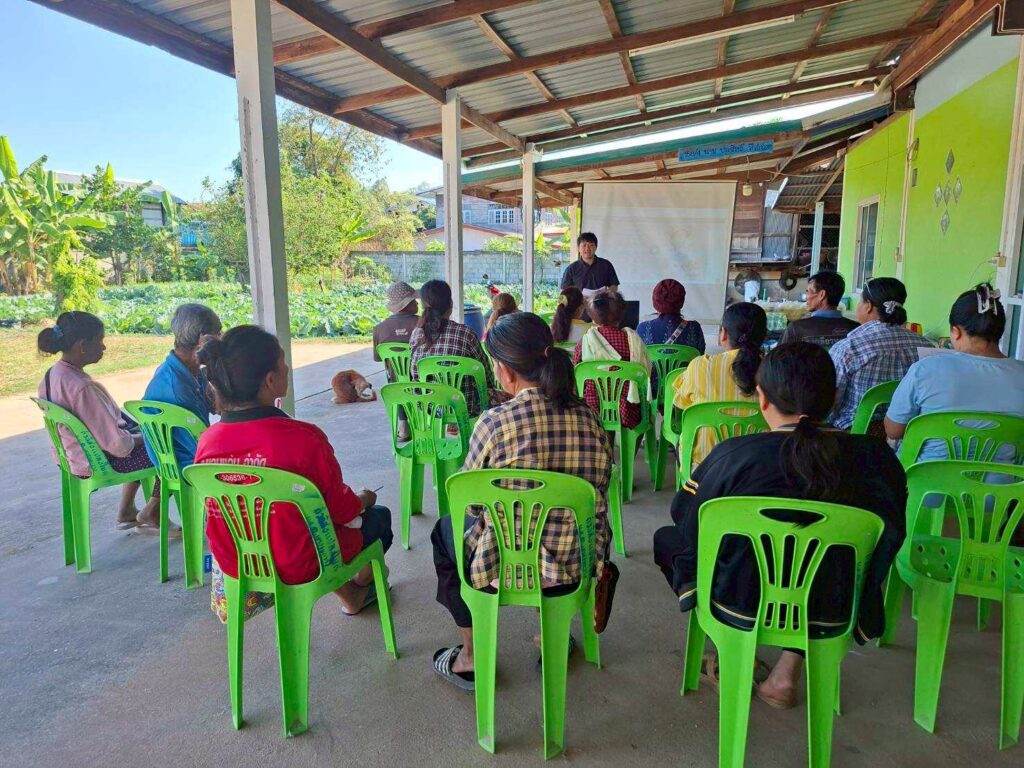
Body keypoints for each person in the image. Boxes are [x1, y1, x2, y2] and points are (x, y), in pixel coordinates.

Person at [653, 342, 907, 709]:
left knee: (669, 540)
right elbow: (890, 537)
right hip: (835, 603)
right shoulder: (877, 460)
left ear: (761, 398)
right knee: (827, 563)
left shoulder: (734, 456)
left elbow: (687, 519)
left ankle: (730, 652)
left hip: (739, 599)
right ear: (834, 397)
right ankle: (788, 670)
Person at [431, 312, 614, 690]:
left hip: (503, 563)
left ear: (503, 369)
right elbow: (599, 490)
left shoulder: (493, 423)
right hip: (574, 564)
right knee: (559, 528)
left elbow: (469, 504)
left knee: (443, 532)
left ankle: (472, 655)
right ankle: (553, 635)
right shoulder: (590, 419)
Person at [193, 325, 392, 617]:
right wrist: (364, 498)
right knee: (379, 519)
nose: (287, 369)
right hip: (299, 562)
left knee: (295, 525)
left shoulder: (208, 441)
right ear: (270, 380)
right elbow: (341, 510)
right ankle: (358, 589)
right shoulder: (303, 438)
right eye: (283, 363)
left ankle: (351, 593)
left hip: (237, 562)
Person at [37, 311, 161, 531]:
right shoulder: (83, 388)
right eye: (100, 340)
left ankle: (126, 510)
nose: (104, 347)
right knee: (170, 450)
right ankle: (153, 510)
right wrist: (148, 436)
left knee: (136, 432)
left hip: (70, 457)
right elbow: (120, 446)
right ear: (83, 346)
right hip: (99, 462)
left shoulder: (51, 375)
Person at [885, 283, 1024, 460]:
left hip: (922, 477)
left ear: (956, 332)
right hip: (1005, 478)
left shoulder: (925, 369)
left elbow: (893, 430)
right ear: (1000, 331)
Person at [829, 277, 933, 430]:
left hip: (854, 433)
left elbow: (831, 402)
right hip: (907, 436)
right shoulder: (926, 347)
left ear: (868, 306)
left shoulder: (848, 348)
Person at [672, 302, 767, 466]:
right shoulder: (775, 371)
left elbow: (681, 409)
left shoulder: (700, 366)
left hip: (703, 466)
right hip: (757, 467)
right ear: (764, 336)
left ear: (723, 334)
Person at [142, 303, 222, 470]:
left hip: (190, 453)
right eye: (218, 332)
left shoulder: (187, 370)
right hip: (188, 465)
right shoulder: (178, 389)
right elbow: (201, 448)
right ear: (202, 339)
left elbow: (215, 407)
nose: (221, 338)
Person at [410, 280, 497, 417]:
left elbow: (415, 376)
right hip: (468, 409)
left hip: (431, 411)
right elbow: (485, 373)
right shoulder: (465, 333)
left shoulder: (416, 334)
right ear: (450, 304)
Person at [573, 291, 652, 429]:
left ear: (593, 315)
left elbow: (576, 369)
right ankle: (631, 444)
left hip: (593, 408)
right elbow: (646, 372)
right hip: (628, 409)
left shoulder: (586, 341)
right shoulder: (633, 341)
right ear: (622, 313)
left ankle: (605, 440)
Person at [780, 271, 858, 348]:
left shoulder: (796, 328)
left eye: (808, 292)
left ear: (821, 295)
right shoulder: (856, 329)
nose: (806, 297)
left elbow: (779, 355)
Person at [636, 278, 706, 353]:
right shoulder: (695, 328)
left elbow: (638, 356)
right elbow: (701, 354)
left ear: (655, 301)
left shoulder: (642, 328)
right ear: (681, 301)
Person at [372, 281, 420, 367]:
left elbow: (378, 358)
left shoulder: (378, 329)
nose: (417, 303)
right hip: (420, 375)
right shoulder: (423, 324)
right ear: (407, 304)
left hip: (394, 376)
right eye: (414, 300)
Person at [559, 232, 619, 297]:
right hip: (580, 303)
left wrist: (607, 294)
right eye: (584, 245)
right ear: (578, 248)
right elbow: (564, 290)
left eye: (591, 245)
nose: (587, 248)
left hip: (601, 302)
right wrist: (577, 298)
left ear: (596, 247)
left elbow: (614, 285)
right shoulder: (571, 268)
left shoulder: (606, 265)